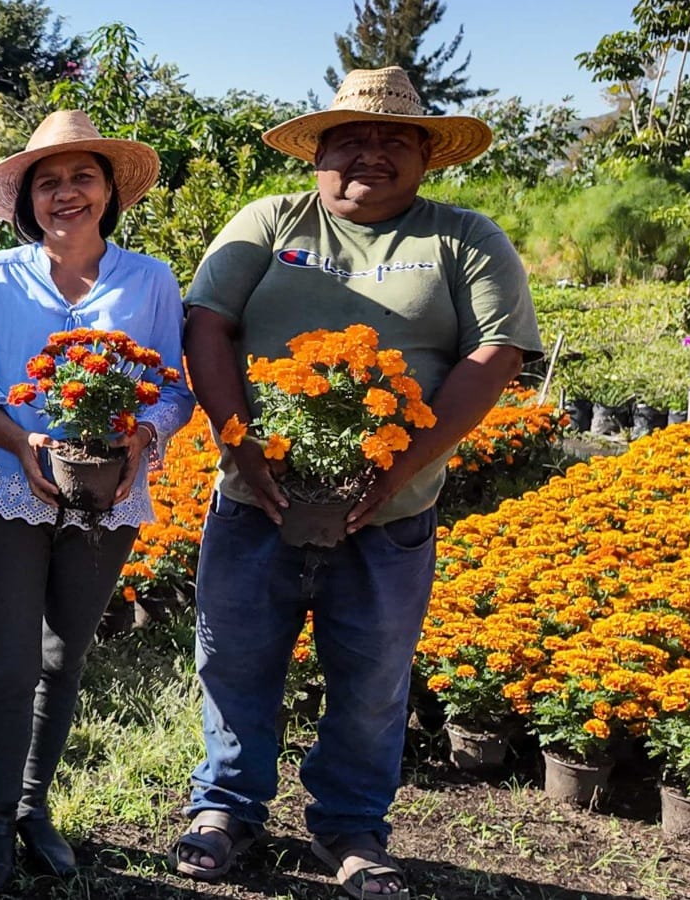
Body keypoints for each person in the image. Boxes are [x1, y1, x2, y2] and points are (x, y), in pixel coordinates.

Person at [170, 66, 543, 900]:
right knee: (234, 660)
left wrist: (400, 468)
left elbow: (494, 356)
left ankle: (350, 827)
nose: (370, 151)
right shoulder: (271, 222)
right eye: (351, 137)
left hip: (391, 513)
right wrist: (244, 443)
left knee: (373, 677)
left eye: (393, 139)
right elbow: (206, 325)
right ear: (319, 153)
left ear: (422, 156)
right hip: (253, 502)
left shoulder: (462, 237)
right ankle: (226, 808)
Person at [0, 110, 195, 895]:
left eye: (82, 177)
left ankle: (33, 809)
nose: (66, 194)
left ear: (109, 191)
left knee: (64, 659)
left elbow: (173, 389)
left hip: (107, 496)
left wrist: (142, 444)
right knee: (12, 666)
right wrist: (22, 446)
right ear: (27, 202)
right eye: (48, 183)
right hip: (6, 491)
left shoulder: (149, 279)